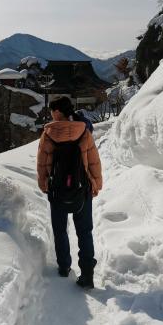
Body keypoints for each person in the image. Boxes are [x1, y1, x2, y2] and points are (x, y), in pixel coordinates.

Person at [36, 96, 102, 288]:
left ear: (57, 112)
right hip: (83, 189)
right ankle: (87, 273)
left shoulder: (48, 134)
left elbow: (42, 164)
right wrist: (96, 184)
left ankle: (64, 267)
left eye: (51, 111)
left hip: (57, 190)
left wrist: (44, 184)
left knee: (59, 229)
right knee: (84, 231)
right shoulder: (83, 131)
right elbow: (93, 161)